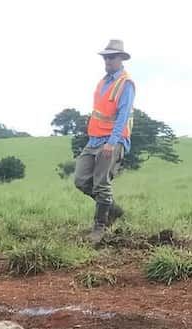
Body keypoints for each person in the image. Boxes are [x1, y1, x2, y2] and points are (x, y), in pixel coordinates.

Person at [74, 39, 135, 245]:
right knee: (81, 180)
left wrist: (112, 142)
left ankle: (99, 227)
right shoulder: (103, 82)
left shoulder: (125, 83)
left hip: (111, 140)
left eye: (112, 57)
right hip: (94, 140)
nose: (107, 61)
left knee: (101, 184)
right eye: (106, 57)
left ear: (121, 59)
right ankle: (113, 209)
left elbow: (123, 115)